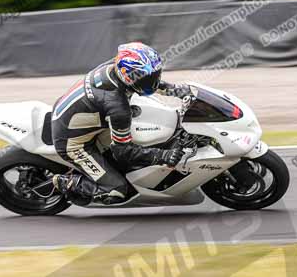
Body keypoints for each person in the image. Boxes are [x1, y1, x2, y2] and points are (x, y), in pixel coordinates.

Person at [50, 41, 193, 206]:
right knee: (116, 190)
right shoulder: (117, 106)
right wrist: (162, 156)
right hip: (73, 143)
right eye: (150, 78)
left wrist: (174, 90)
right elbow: (123, 152)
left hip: (76, 113)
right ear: (129, 76)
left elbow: (144, 79)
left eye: (156, 74)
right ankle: (67, 182)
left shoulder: (116, 66)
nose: (155, 79)